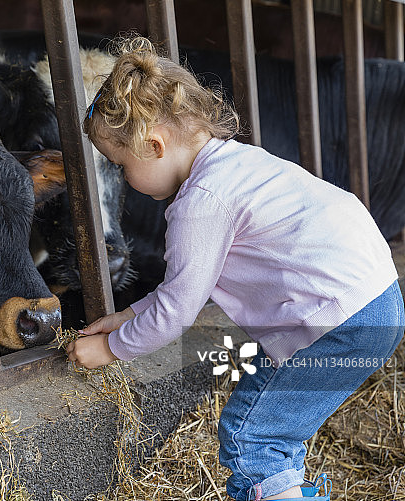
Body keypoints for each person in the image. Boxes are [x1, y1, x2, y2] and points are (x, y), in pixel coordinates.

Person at [65, 36, 404, 501]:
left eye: (120, 165)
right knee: (274, 425)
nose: (125, 179)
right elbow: (182, 290)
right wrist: (126, 316)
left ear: (154, 145)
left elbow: (177, 312)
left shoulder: (199, 204)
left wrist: (112, 349)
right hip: (376, 300)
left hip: (333, 321)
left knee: (251, 437)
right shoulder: (238, 162)